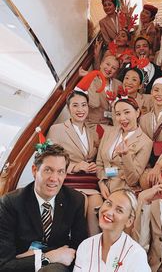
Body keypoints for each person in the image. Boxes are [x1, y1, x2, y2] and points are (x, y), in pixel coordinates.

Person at [0, 143, 87, 272]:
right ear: (35, 170)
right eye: (48, 170)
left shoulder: (75, 200)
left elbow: (78, 250)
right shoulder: (10, 203)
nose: (54, 178)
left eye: (60, 172)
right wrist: (49, 257)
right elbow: (4, 264)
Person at [47, 90, 103, 236]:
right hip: (70, 181)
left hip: (89, 183)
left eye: (84, 105)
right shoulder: (57, 129)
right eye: (75, 105)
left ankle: (92, 248)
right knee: (81, 202)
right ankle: (75, 247)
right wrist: (75, 166)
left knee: (97, 207)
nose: (80, 109)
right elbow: (49, 158)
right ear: (68, 108)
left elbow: (95, 158)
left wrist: (94, 166)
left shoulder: (93, 133)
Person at [73, 189, 151, 271]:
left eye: (119, 210)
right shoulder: (85, 246)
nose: (109, 212)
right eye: (108, 203)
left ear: (129, 221)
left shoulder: (136, 254)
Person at [96, 97, 152, 198]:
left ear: (137, 113)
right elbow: (99, 164)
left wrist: (126, 155)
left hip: (124, 191)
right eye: (118, 114)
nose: (122, 118)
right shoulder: (109, 132)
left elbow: (133, 180)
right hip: (102, 188)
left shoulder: (146, 142)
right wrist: (102, 182)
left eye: (127, 112)